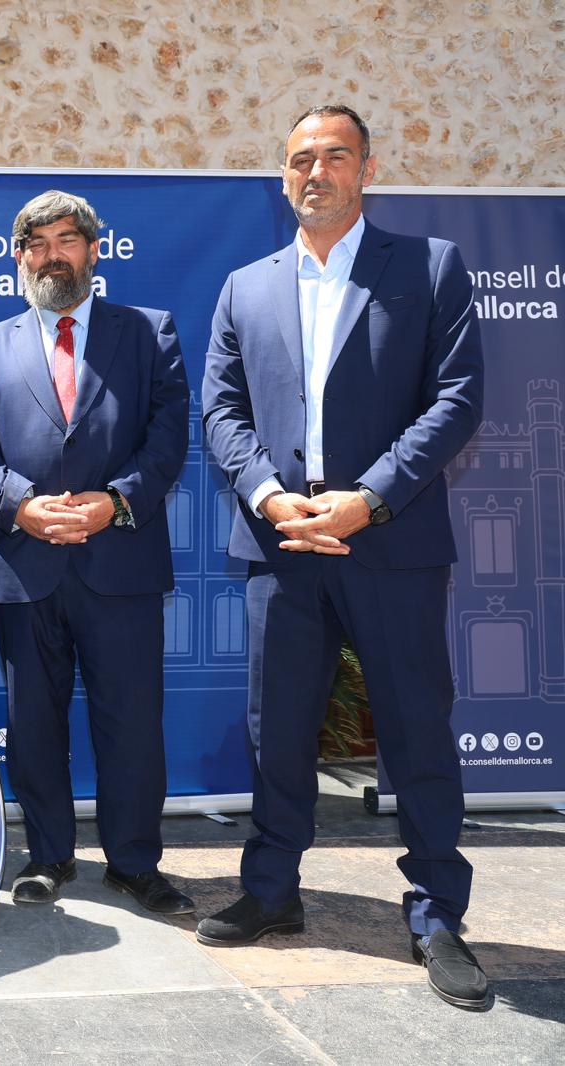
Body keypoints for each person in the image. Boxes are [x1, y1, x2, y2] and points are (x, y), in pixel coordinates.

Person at [198, 105, 488, 1010]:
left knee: (414, 729)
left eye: (332, 157)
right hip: (283, 537)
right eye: (298, 161)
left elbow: (458, 398)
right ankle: (273, 889)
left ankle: (438, 911)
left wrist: (369, 498)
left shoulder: (430, 267)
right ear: (283, 178)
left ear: (366, 168)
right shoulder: (246, 286)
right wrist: (267, 496)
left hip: (388, 536)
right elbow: (221, 410)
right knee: (275, 728)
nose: (314, 172)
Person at [0, 190, 194, 916]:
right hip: (26, 564)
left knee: (130, 721)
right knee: (33, 725)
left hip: (118, 561)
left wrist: (114, 502)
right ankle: (49, 856)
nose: (53, 255)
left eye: (68, 240)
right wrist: (22, 504)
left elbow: (168, 437)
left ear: (94, 250)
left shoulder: (150, 332)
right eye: (38, 243)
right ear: (20, 257)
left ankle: (134, 863)